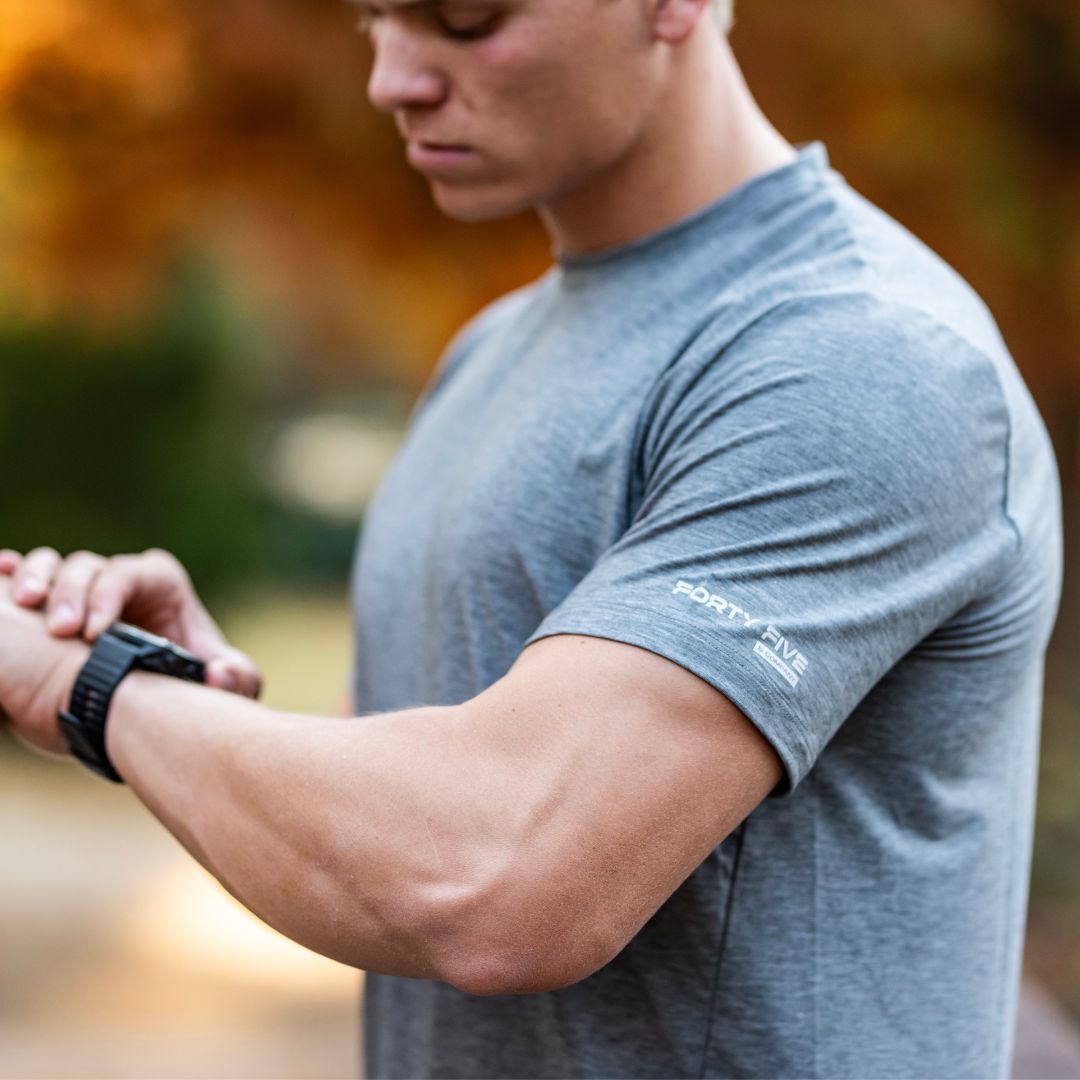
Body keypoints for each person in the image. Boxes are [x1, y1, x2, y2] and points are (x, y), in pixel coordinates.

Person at [0, 0, 1063, 1075]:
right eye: (377, 18)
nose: (391, 80)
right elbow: (396, 878)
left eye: (466, 18)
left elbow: (499, 884)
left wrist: (98, 691)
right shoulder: (489, 354)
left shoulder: (857, 357)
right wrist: (187, 705)